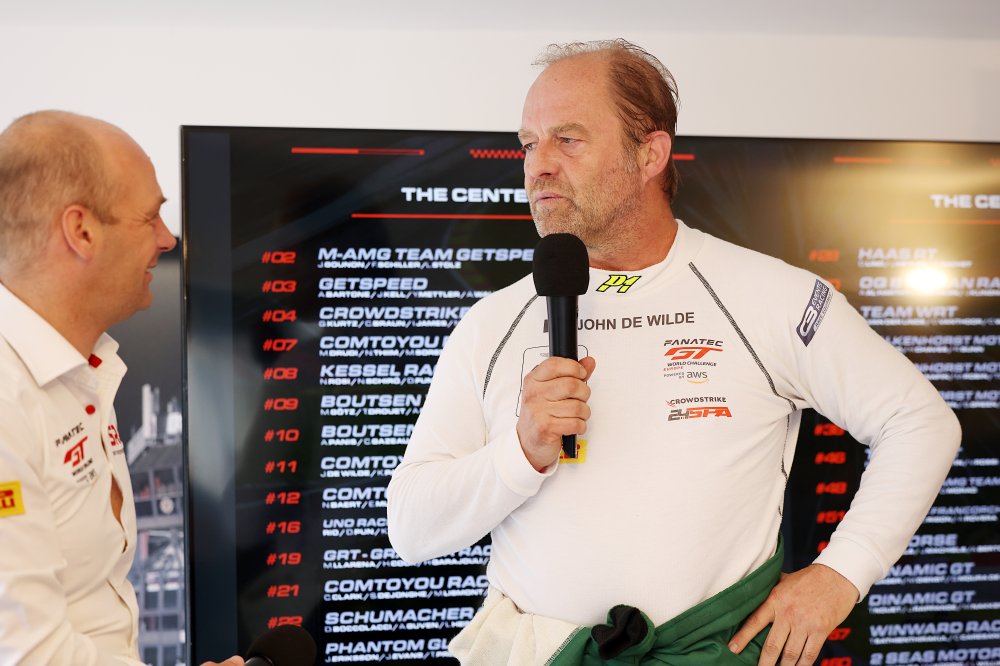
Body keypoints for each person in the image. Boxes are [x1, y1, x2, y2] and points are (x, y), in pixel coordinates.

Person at [386, 40, 961, 665]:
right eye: (529, 143)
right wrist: (520, 452)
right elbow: (411, 528)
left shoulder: (769, 295)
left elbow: (919, 421)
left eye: (568, 139)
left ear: (650, 154)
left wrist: (842, 574)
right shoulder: (491, 323)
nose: (538, 166)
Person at [0, 111, 241, 666]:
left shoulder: (82, 370)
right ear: (81, 231)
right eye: (150, 217)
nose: (168, 239)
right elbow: (31, 656)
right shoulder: (8, 400)